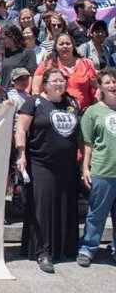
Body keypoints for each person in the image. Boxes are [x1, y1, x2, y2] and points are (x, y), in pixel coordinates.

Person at [15, 68, 80, 273]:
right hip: (41, 163)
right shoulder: (34, 102)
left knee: (66, 206)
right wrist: (21, 154)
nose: (59, 83)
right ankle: (43, 252)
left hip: (68, 165)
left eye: (62, 80)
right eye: (54, 80)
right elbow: (21, 129)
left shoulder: (72, 104)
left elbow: (78, 134)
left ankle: (65, 249)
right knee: (42, 207)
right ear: (45, 83)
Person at [77, 67, 116, 267]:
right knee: (97, 213)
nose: (112, 85)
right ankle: (88, 248)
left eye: (114, 81)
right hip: (103, 170)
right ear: (100, 87)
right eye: (107, 82)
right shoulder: (93, 111)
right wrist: (86, 169)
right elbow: (88, 144)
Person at [33, 33, 97, 113]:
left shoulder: (86, 63)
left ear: (73, 46)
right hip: (54, 113)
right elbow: (36, 92)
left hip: (83, 113)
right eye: (61, 44)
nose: (65, 46)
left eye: (68, 43)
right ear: (56, 47)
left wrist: (94, 107)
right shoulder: (46, 65)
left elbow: (98, 87)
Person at [0, 25, 37, 92]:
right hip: (4, 94)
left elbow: (31, 75)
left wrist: (26, 95)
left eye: (4, 38)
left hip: (20, 94)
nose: (2, 41)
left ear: (12, 37)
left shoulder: (28, 53)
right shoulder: (4, 55)